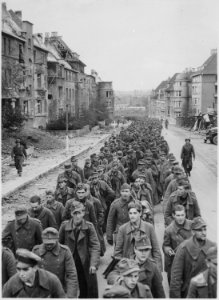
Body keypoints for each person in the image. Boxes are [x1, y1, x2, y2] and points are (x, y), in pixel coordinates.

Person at [59, 200, 100, 298]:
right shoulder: (64, 226)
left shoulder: (89, 227)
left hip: (84, 262)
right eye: (75, 213)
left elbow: (95, 246)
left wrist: (93, 264)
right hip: (69, 261)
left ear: (83, 213)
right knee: (68, 288)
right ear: (71, 214)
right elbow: (59, 244)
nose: (77, 216)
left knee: (88, 288)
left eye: (79, 213)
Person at [170, 217, 216, 298]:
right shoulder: (183, 248)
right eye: (200, 230)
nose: (203, 232)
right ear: (193, 231)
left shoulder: (212, 247)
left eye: (205, 229)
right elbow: (175, 279)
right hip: (189, 293)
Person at [114, 200, 162, 271]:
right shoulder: (122, 229)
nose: (132, 216)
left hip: (147, 267)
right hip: (130, 267)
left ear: (140, 213)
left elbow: (156, 250)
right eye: (130, 213)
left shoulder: (149, 227)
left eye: (135, 213)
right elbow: (118, 252)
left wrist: (157, 270)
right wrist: (123, 268)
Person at [32, 227, 79, 298]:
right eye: (47, 243)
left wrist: (71, 296)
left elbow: (71, 275)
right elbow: (30, 273)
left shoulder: (65, 251)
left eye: (51, 243)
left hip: (60, 290)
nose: (49, 245)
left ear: (57, 240)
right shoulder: (36, 251)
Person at [162, 205, 193, 284]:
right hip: (175, 260)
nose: (180, 218)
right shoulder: (169, 230)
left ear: (185, 214)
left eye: (182, 215)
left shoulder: (192, 225)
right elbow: (166, 245)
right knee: (175, 284)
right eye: (178, 215)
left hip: (190, 259)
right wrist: (169, 251)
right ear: (173, 215)